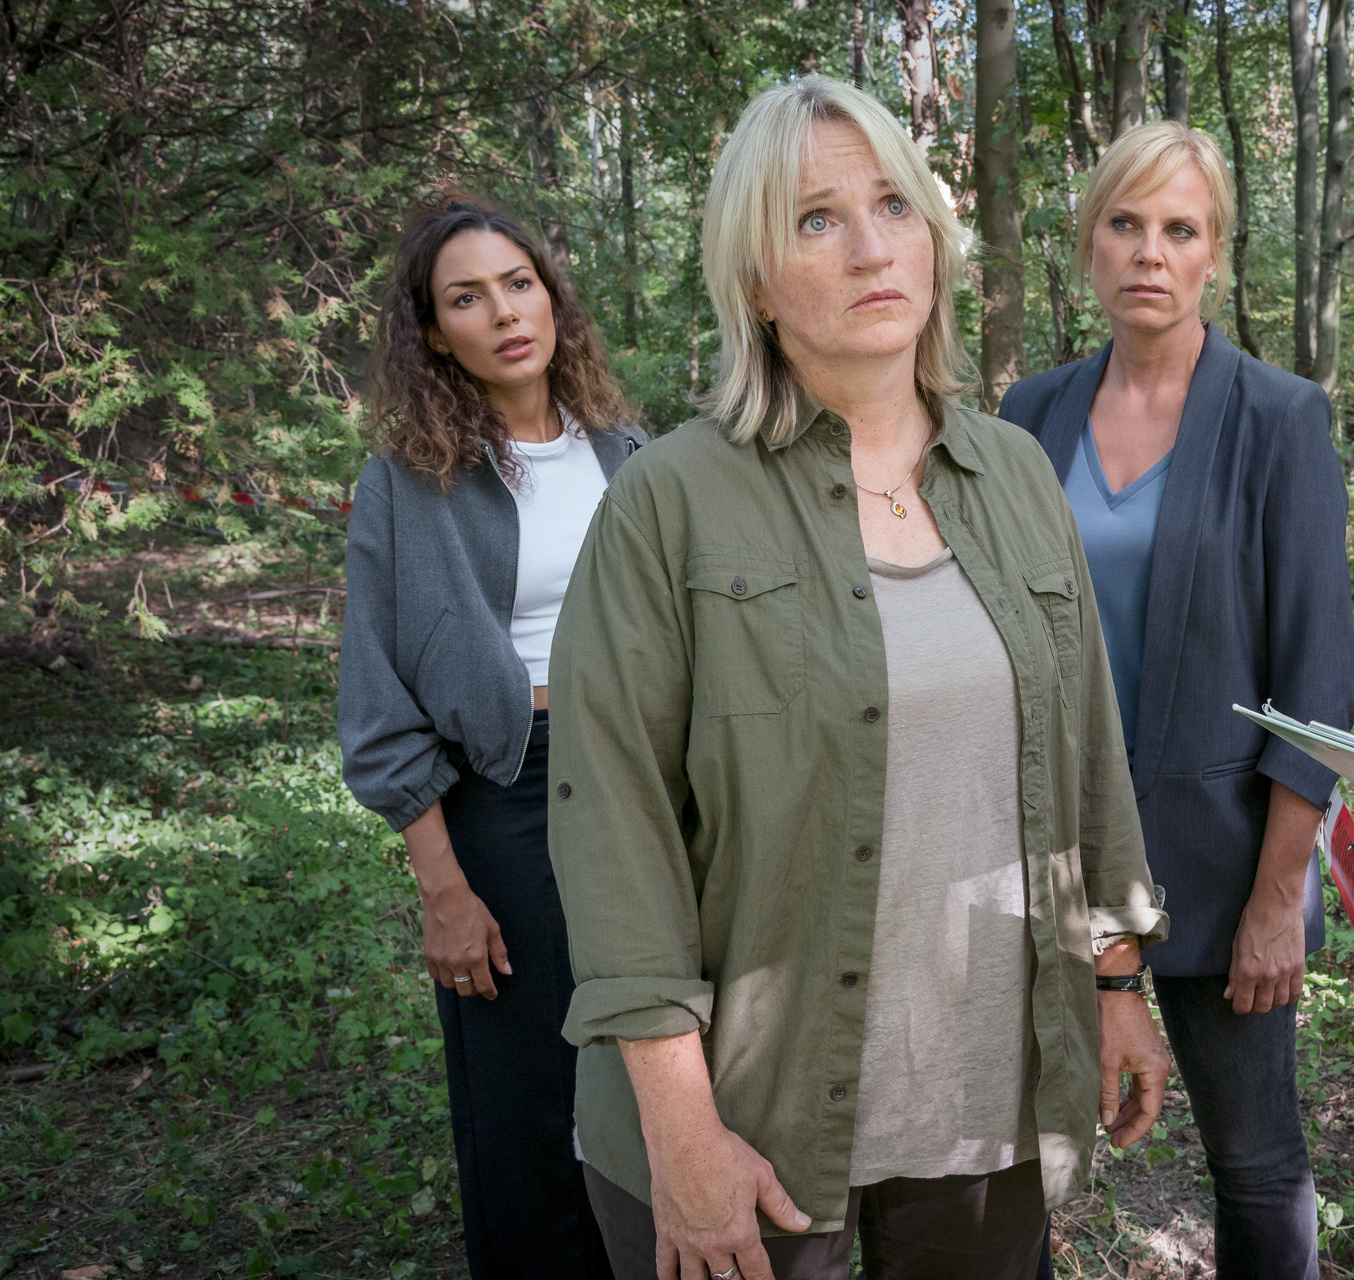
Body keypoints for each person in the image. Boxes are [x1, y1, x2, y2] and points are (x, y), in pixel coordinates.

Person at [543, 75, 1173, 1280]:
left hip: (986, 1102)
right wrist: (682, 1129)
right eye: (816, 219)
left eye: (893, 205)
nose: (872, 247)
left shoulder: (1018, 474)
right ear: (754, 281)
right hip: (755, 1116)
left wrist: (1115, 978)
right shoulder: (669, 502)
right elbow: (612, 825)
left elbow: (1087, 747)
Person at [999, 122, 1354, 1280]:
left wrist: (1279, 897)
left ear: (1214, 254)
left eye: (1180, 228)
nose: (1150, 251)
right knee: (1010, 1157)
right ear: (1088, 245)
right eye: (1125, 224)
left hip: (1223, 856)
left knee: (1255, 1163)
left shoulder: (1278, 417)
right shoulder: (1028, 416)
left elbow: (1317, 684)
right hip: (1052, 853)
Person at [339, 198, 639, 1279]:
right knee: (528, 1103)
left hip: (643, 781)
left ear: (551, 297)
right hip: (510, 796)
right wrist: (444, 888)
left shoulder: (629, 452)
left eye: (519, 283)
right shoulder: (408, 481)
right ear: (433, 333)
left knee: (653, 1062)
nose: (505, 312)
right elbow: (378, 698)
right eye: (466, 297)